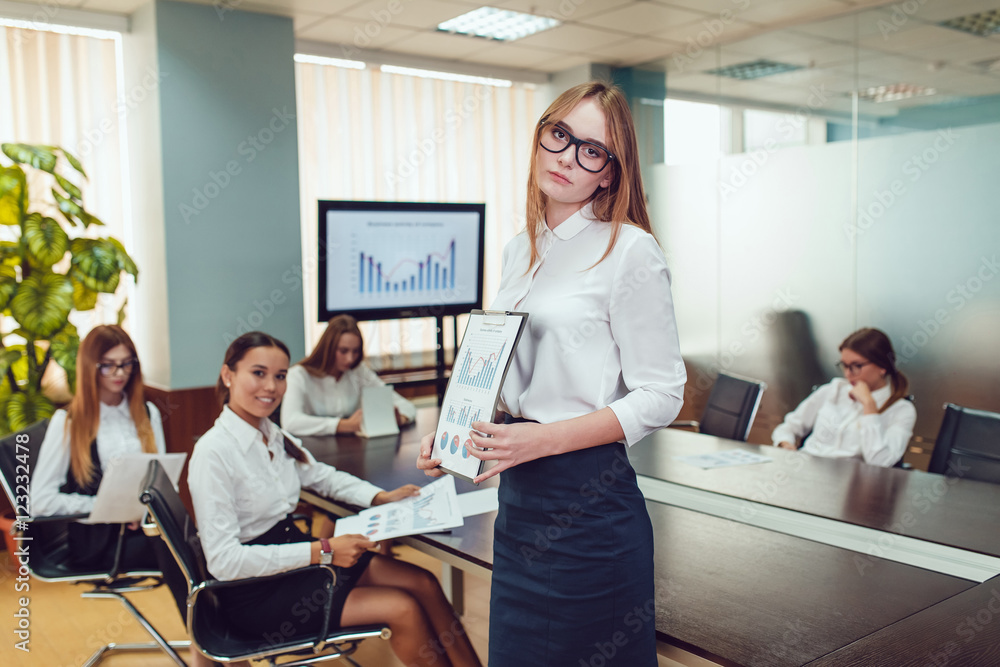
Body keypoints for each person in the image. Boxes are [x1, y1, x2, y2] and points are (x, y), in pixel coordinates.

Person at [418, 81, 685, 666]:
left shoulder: (629, 251)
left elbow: (663, 394)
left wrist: (541, 439)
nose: (567, 156)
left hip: (591, 511)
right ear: (541, 136)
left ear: (609, 174)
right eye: (560, 135)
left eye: (591, 150)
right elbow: (518, 375)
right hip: (520, 507)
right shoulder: (521, 249)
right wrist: (463, 427)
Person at [188, 331, 481, 667]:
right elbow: (225, 563)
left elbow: (320, 476)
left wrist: (379, 497)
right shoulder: (213, 453)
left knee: (423, 582)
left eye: (280, 376)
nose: (271, 387)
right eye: (258, 373)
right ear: (228, 375)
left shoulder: (270, 432)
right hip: (257, 594)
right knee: (404, 608)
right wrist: (323, 550)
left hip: (296, 560)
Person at [32, 324, 167, 570]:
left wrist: (140, 511)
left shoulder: (148, 413)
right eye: (108, 365)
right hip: (97, 543)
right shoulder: (69, 423)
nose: (120, 373)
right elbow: (40, 502)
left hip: (141, 530)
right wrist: (110, 509)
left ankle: (203, 608)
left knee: (192, 544)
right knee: (181, 553)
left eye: (127, 363)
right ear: (89, 368)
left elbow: (163, 481)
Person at [772, 327, 915, 467]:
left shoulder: (902, 410)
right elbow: (788, 427)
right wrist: (786, 444)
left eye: (856, 366)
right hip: (805, 470)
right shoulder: (831, 390)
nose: (848, 374)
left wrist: (869, 406)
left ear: (882, 367)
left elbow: (879, 462)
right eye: (844, 366)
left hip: (850, 484)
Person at [281, 314, 416, 435]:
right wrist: (344, 425)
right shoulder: (298, 375)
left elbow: (406, 406)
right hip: (312, 452)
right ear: (328, 347)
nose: (350, 359)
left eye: (355, 351)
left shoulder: (359, 372)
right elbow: (290, 422)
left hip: (351, 452)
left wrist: (400, 419)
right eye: (343, 351)